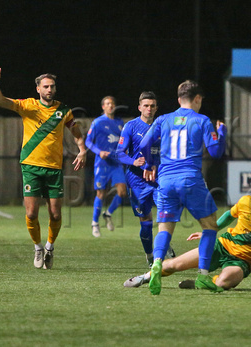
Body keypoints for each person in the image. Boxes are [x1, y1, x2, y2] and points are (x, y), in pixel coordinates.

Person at [123, 179, 251, 292]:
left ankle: (200, 283)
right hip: (222, 246)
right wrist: (209, 231)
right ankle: (144, 278)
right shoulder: (246, 202)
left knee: (224, 282)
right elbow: (228, 216)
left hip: (244, 261)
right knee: (174, 264)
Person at [0, 68, 86, 269]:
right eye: (46, 86)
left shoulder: (63, 111)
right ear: (38, 89)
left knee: (56, 214)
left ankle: (50, 248)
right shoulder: (28, 106)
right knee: (32, 213)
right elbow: (0, 101)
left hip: (54, 169)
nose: (50, 89)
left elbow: (76, 133)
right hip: (31, 166)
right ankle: (38, 247)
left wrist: (82, 149)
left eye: (52, 86)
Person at [140, 80, 226, 295]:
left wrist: (151, 163)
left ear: (179, 100)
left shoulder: (163, 119)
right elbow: (215, 153)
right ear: (197, 99)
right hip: (190, 180)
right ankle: (204, 276)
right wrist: (221, 134)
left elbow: (143, 145)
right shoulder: (202, 120)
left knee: (164, 228)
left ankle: (157, 264)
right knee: (210, 226)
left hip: (166, 181)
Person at [115, 91, 175, 267]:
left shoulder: (163, 127)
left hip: (159, 179)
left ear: (157, 108)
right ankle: (149, 255)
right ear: (139, 107)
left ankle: (163, 243)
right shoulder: (131, 127)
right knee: (146, 224)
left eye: (152, 106)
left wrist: (157, 165)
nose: (149, 109)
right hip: (137, 181)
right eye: (146, 106)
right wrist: (134, 161)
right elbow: (119, 154)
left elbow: (170, 153)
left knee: (166, 216)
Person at [85, 96, 126, 237]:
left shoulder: (120, 123)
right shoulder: (98, 122)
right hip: (102, 163)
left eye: (112, 103)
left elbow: (123, 141)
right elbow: (88, 141)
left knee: (122, 191)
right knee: (101, 194)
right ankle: (95, 223)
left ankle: (108, 214)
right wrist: (99, 151)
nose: (111, 106)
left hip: (116, 163)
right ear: (103, 106)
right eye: (108, 104)